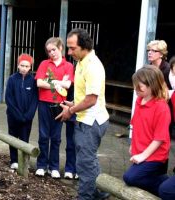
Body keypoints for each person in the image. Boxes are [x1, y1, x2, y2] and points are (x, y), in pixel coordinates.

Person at [56, 28, 110, 200]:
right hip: (84, 118)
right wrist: (72, 104)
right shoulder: (81, 61)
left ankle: (85, 196)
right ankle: (97, 193)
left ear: (84, 46)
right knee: (88, 160)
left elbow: (91, 99)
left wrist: (70, 111)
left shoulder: (93, 66)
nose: (69, 52)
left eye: (73, 48)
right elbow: (84, 96)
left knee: (85, 163)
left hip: (91, 122)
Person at [122, 65, 170, 196]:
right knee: (134, 178)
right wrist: (133, 144)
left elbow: (159, 139)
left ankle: (165, 186)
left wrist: (143, 155)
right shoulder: (139, 100)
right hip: (141, 152)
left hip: (155, 156)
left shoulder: (161, 107)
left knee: (130, 178)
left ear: (152, 85)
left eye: (139, 87)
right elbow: (136, 125)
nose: (135, 89)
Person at [34, 37, 74, 179]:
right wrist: (59, 82)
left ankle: (54, 167)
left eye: (54, 50)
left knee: (56, 137)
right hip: (44, 102)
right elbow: (39, 83)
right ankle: (41, 165)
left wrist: (49, 81)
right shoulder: (44, 63)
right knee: (43, 135)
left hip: (60, 105)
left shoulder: (68, 65)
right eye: (49, 51)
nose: (52, 53)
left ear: (61, 48)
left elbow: (68, 85)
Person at [5, 53, 38, 170]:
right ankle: (14, 160)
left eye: (27, 66)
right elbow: (8, 98)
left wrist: (29, 115)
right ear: (18, 65)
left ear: (30, 68)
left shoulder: (33, 81)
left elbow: (35, 100)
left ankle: (24, 161)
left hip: (27, 118)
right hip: (13, 117)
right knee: (13, 138)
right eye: (22, 65)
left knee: (25, 139)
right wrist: (18, 115)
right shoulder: (12, 79)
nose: (24, 68)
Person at [63, 84, 78, 180]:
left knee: (81, 145)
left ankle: (79, 169)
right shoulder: (71, 78)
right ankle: (69, 169)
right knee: (70, 144)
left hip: (83, 115)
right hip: (70, 114)